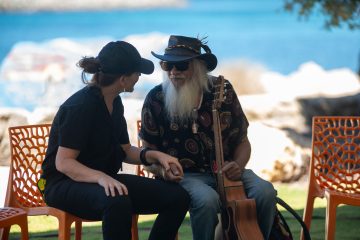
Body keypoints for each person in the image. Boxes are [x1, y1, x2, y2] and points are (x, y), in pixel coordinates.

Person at [39, 40, 190, 240]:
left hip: (103, 181)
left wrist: (157, 156)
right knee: (117, 200)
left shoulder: (115, 102)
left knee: (177, 197)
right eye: (137, 73)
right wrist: (102, 178)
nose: (139, 77)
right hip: (62, 184)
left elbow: (126, 151)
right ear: (123, 79)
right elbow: (64, 163)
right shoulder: (81, 107)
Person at [139, 35, 277, 240]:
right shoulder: (155, 98)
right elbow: (146, 149)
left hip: (227, 170)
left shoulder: (223, 90)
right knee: (206, 200)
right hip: (184, 176)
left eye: (181, 65)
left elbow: (242, 140)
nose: (173, 73)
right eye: (167, 65)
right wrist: (162, 170)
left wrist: (238, 164)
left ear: (198, 67)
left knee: (265, 192)